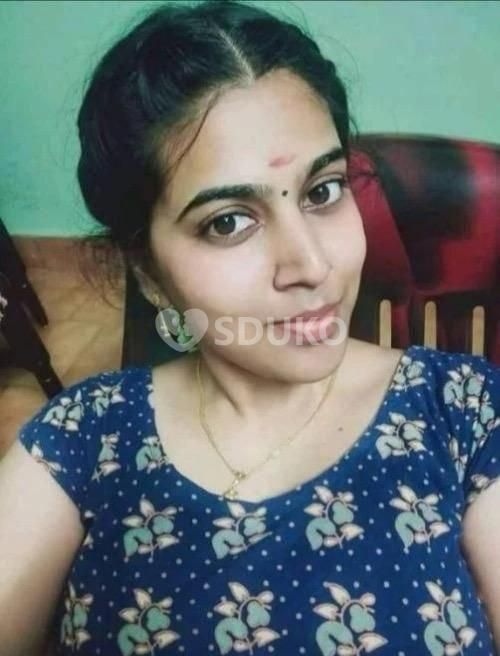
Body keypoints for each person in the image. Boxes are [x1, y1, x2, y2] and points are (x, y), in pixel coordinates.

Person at [0, 1, 499, 654]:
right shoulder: (82, 437)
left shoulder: (462, 410)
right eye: (229, 221)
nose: (311, 265)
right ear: (148, 272)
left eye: (323, 190)